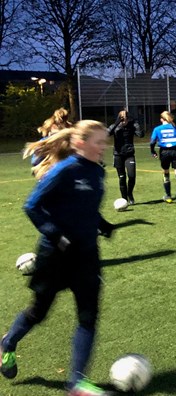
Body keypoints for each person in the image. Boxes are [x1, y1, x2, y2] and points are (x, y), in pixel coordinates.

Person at [2, 120, 115, 395]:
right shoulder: (64, 170)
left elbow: (84, 207)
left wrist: (103, 224)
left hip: (87, 254)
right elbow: (32, 206)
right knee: (39, 312)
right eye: (99, 142)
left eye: (105, 142)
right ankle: (7, 343)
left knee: (88, 317)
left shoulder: (97, 173)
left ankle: (76, 383)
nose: (104, 147)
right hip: (56, 254)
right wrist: (55, 235)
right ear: (80, 143)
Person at [150, 111, 176, 204]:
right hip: (175, 151)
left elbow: (152, 142)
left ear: (161, 119)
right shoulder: (175, 127)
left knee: (166, 173)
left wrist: (153, 151)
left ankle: (168, 196)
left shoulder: (157, 129)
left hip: (164, 152)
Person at [108, 109, 144, 204]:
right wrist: (117, 123)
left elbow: (141, 135)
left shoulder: (131, 126)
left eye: (126, 118)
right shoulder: (115, 126)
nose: (124, 120)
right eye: (122, 118)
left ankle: (130, 194)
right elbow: (107, 133)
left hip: (129, 154)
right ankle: (124, 198)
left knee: (132, 176)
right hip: (118, 154)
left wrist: (136, 124)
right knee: (122, 177)